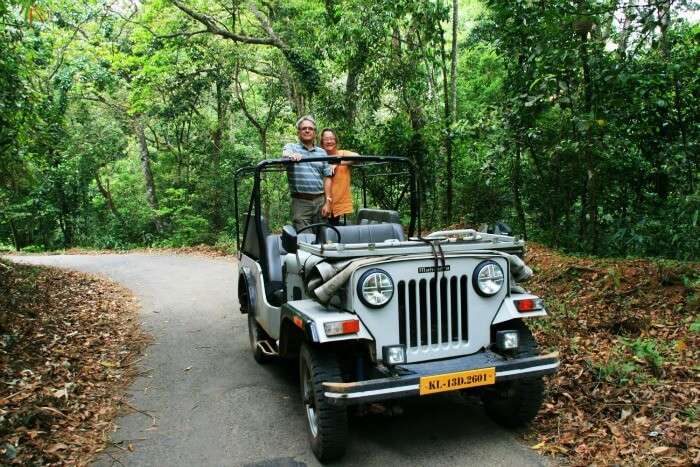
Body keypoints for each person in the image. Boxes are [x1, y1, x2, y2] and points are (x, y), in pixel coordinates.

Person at [282, 116, 333, 232]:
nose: (307, 130)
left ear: (315, 132)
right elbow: (285, 154)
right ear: (298, 132)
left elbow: (327, 177)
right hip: (301, 202)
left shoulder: (322, 152)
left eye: (310, 128)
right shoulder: (291, 147)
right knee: (305, 239)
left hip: (320, 200)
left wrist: (328, 202)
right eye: (303, 128)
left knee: (323, 237)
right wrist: (290, 156)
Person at [320, 128, 358, 225]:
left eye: (332, 139)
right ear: (322, 141)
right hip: (320, 203)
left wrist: (338, 162)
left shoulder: (342, 153)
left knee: (332, 234)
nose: (329, 141)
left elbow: (357, 156)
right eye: (326, 139)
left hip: (337, 205)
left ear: (336, 141)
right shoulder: (318, 154)